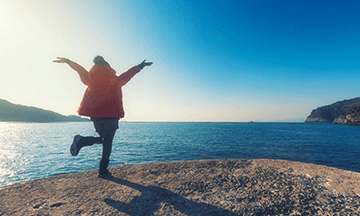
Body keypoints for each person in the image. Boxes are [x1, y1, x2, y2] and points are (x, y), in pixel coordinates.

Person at [53, 56, 153, 177]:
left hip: (96, 114)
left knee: (103, 139)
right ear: (107, 65)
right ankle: (102, 170)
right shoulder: (115, 79)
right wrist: (140, 66)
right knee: (107, 142)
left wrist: (68, 61)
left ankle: (83, 141)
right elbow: (128, 74)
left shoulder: (90, 78)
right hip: (112, 114)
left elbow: (80, 69)